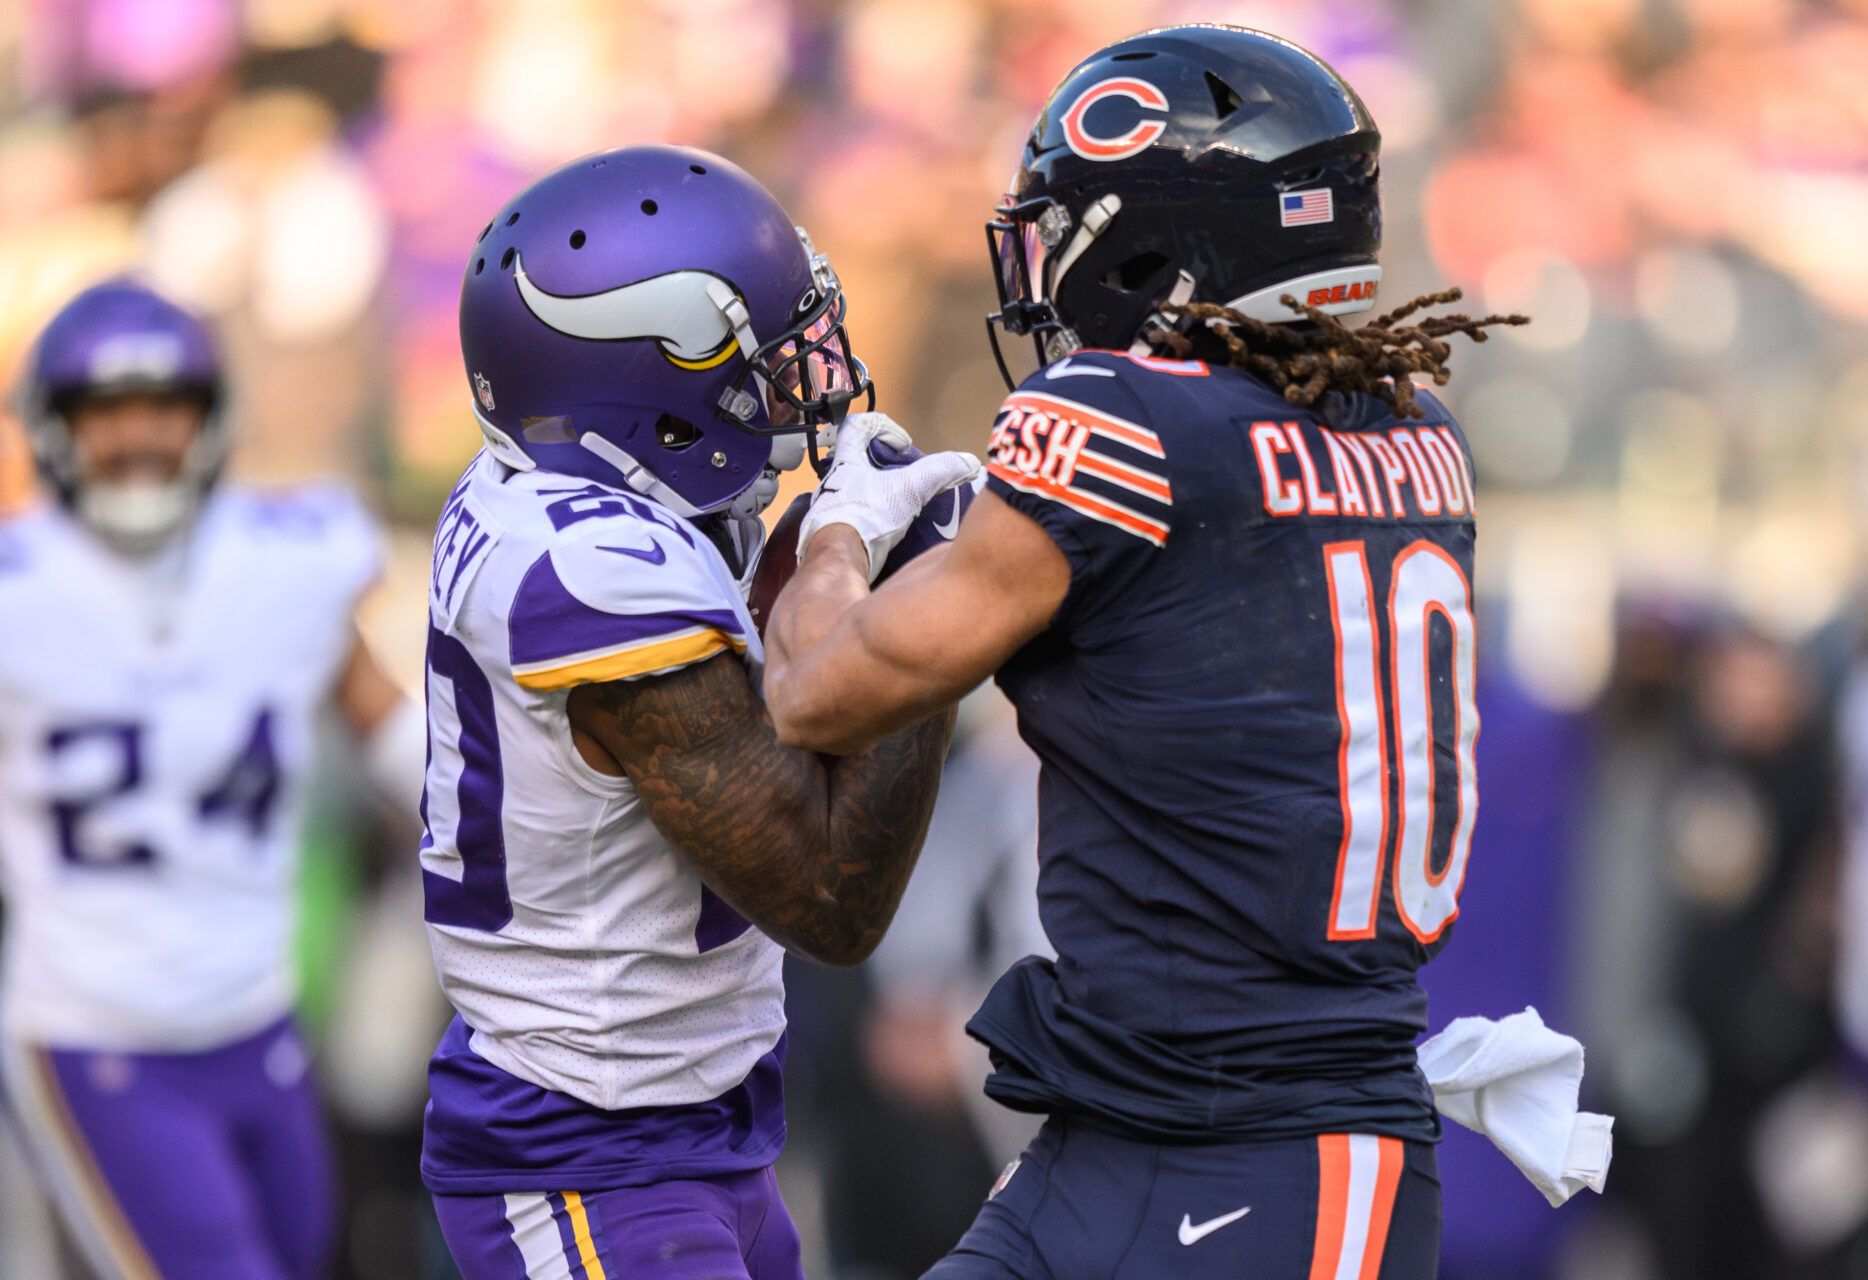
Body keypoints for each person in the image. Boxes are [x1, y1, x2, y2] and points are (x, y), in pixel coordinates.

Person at [764, 26, 1530, 1280]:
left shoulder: (1128, 423)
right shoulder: (1416, 426)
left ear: (1155, 238)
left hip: (1274, 1144)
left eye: (1065, 226)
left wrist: (845, 517)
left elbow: (814, 693)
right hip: (1123, 1123)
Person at [421, 144, 969, 1280]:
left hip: (686, 1115)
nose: (797, 387)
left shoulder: (567, 487)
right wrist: (924, 605)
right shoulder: (595, 572)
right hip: (592, 1143)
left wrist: (821, 567)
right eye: (761, 360)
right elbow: (829, 893)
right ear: (652, 382)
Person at [0, 279, 419, 1279]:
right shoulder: (19, 586)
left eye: (163, 407)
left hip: (261, 1018)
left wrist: (524, 826)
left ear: (213, 417)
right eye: (105, 413)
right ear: (52, 430)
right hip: (95, 1035)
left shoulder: (290, 560)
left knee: (303, 1255)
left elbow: (404, 744)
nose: (137, 436)